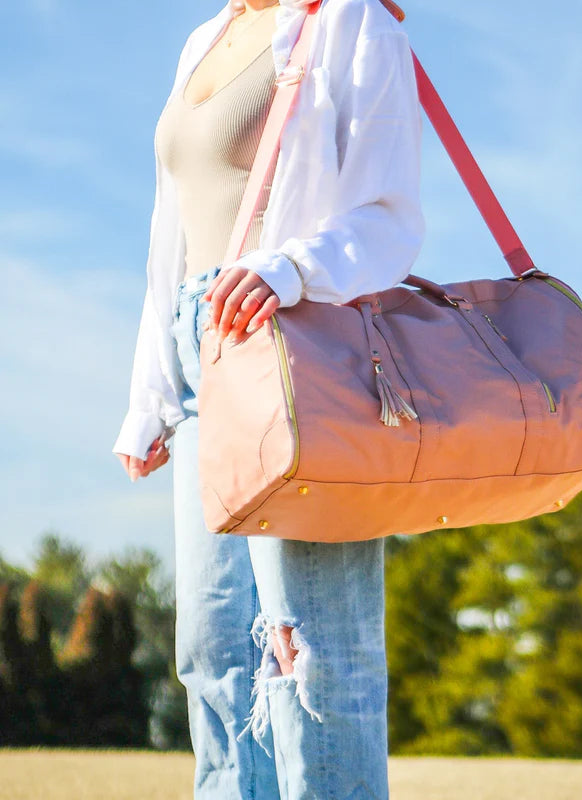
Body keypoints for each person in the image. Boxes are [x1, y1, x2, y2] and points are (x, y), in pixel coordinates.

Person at [111, 0, 424, 797]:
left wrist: (290, 269)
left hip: (298, 352)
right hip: (201, 353)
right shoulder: (200, 41)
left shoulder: (356, 21)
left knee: (314, 650)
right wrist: (152, 393)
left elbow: (390, 219)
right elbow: (172, 233)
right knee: (215, 655)